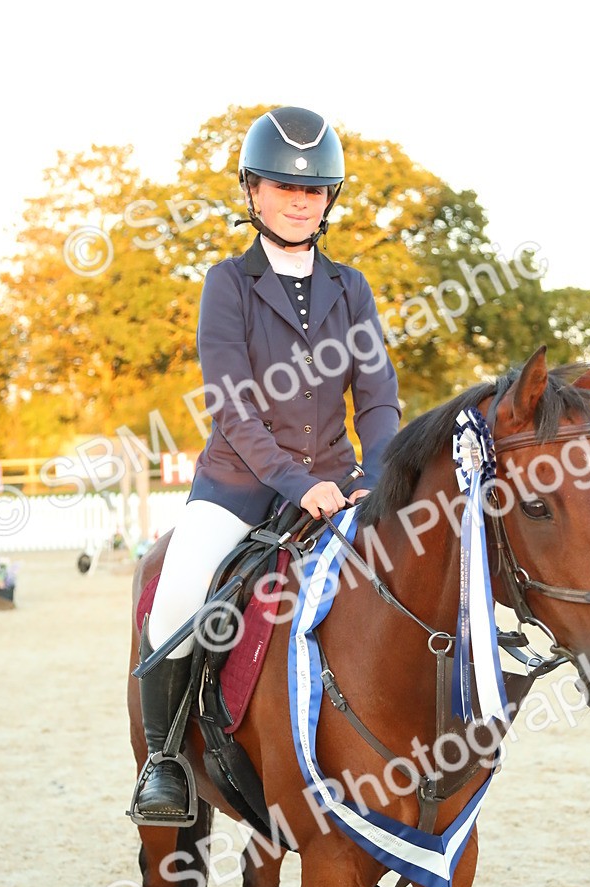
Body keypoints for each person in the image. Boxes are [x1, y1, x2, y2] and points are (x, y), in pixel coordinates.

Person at [132, 106, 401, 823]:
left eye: (311, 190)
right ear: (252, 191)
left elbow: (377, 398)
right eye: (282, 186)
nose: (297, 200)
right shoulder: (226, 284)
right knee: (178, 602)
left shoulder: (353, 289)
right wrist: (296, 482)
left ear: (328, 200)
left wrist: (376, 472)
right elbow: (234, 408)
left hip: (341, 487)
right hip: (239, 488)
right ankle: (163, 765)